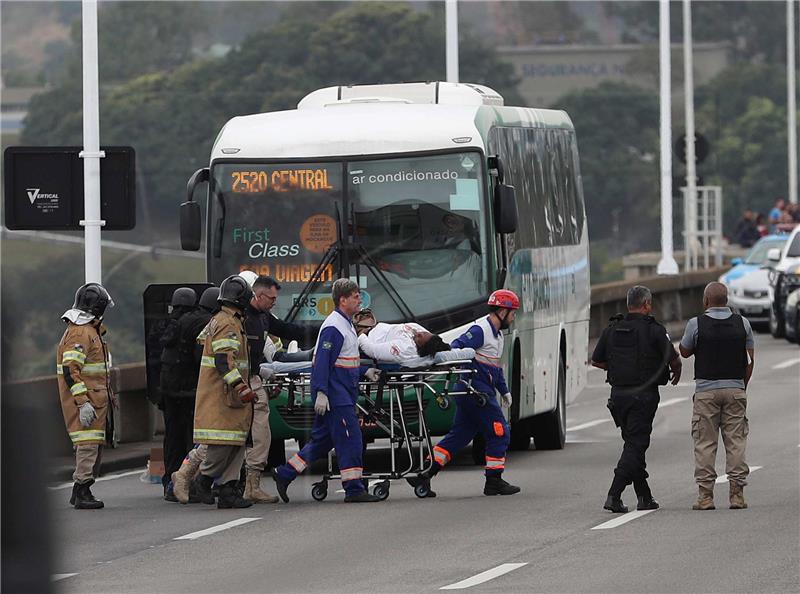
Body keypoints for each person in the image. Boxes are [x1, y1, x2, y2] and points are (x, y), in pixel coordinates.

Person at [272, 278, 382, 503]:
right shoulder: (334, 326)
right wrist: (321, 392)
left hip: (340, 392)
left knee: (322, 441)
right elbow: (322, 361)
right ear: (342, 300)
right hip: (335, 395)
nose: (359, 299)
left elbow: (346, 360)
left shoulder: (345, 323)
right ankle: (353, 489)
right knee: (352, 439)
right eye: (355, 296)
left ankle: (284, 474)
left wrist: (365, 371)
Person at [413, 290, 522, 498]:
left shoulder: (497, 335)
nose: (513, 317)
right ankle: (494, 481)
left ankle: (425, 472)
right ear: (502, 311)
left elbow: (494, 369)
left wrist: (505, 391)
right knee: (499, 432)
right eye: (512, 313)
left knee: (460, 435)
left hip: (474, 392)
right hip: (474, 392)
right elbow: (456, 348)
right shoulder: (480, 330)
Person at [591, 285, 682, 513]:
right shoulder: (654, 330)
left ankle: (644, 497)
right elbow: (674, 360)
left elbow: (597, 360)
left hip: (618, 396)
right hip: (644, 396)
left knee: (633, 445)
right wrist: (675, 374)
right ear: (647, 304)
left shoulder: (612, 328)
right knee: (636, 445)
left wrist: (619, 368)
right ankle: (614, 495)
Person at [679, 282, 755, 511]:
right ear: (727, 300)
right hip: (735, 390)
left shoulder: (696, 324)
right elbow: (750, 360)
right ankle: (737, 494)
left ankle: (705, 496)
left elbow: (684, 351)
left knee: (705, 443)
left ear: (706, 301)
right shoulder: (743, 323)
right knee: (736, 441)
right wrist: (741, 386)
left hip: (706, 392)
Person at [190, 275, 257, 509]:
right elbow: (223, 361)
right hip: (226, 395)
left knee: (237, 443)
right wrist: (240, 386)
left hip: (232, 397)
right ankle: (203, 480)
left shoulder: (228, 320)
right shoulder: (227, 323)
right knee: (222, 444)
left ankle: (228, 490)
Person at [241, 273, 305, 503]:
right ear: (258, 295)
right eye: (271, 299)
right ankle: (189, 474)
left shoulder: (263, 317)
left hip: (253, 379)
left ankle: (251, 485)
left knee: (260, 434)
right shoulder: (242, 319)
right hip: (238, 382)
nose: (274, 303)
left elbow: (288, 330)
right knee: (227, 438)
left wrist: (323, 330)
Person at [57, 283, 115, 509]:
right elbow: (70, 369)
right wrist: (82, 403)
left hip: (95, 399)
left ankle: (81, 489)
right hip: (88, 401)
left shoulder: (87, 331)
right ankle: (82, 490)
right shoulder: (81, 332)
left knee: (91, 445)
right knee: (87, 445)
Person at [170, 287, 221, 504]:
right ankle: (192, 478)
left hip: (175, 388)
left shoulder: (179, 321)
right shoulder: (210, 323)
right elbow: (206, 358)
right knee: (214, 437)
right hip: (203, 387)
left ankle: (189, 480)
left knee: (177, 438)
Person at [158, 287, 198, 501]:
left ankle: (168, 482)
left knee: (171, 438)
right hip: (188, 392)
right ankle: (187, 481)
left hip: (168, 391)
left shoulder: (165, 325)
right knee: (190, 439)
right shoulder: (193, 325)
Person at [354, 309, 455, 366]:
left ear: (420, 346)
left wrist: (361, 334)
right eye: (425, 333)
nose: (420, 333)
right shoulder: (423, 334)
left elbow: (372, 350)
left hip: (367, 332)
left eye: (420, 337)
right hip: (375, 324)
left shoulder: (404, 349)